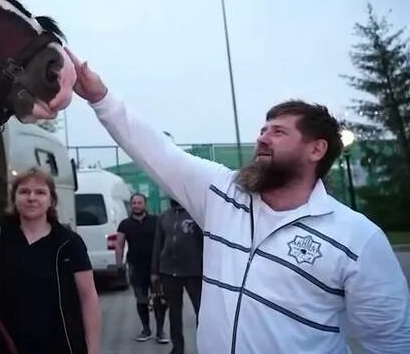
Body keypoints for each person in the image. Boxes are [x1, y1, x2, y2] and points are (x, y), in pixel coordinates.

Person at [63, 48, 410, 353]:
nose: (262, 138)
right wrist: (100, 98)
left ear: (316, 149)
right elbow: (157, 150)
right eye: (263, 129)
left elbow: (392, 341)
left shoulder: (357, 239)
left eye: (278, 131)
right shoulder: (221, 193)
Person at [0, 167, 101, 354]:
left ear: (51, 201)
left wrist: (93, 350)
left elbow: (88, 297)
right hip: (9, 343)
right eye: (24, 192)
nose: (31, 198)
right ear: (14, 198)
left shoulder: (69, 242)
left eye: (40, 192)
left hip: (61, 343)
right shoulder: (0, 232)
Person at [115, 193, 169, 344]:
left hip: (155, 268)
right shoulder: (125, 224)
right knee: (141, 300)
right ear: (131, 205)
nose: (136, 205)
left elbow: (165, 242)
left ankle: (160, 331)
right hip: (136, 268)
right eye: (134, 203)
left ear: (145, 204)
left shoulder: (156, 221)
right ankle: (146, 329)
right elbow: (119, 245)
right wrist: (119, 266)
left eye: (139, 203)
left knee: (160, 300)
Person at [151, 197, 203, 354]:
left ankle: (206, 346)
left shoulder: (196, 215)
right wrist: (154, 271)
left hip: (194, 272)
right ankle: (177, 348)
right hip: (169, 272)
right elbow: (157, 245)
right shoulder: (164, 216)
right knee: (174, 313)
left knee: (201, 311)